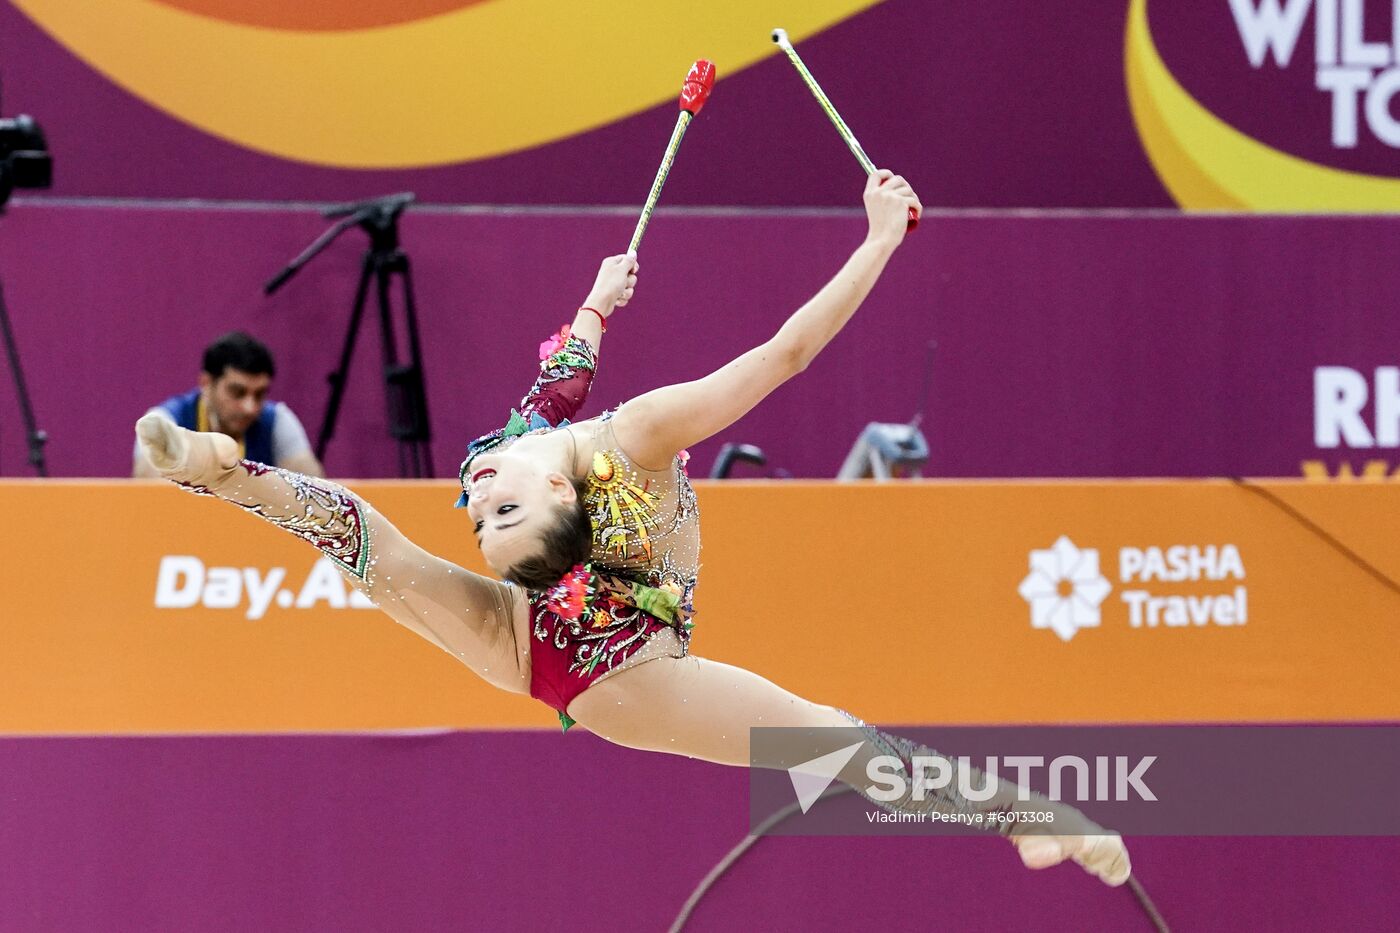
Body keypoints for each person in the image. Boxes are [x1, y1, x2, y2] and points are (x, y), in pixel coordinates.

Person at [136, 172, 1129, 887]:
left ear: (563, 494)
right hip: (600, 665)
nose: (477, 502)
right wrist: (602, 308)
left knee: (834, 742)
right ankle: (215, 473)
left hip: (599, 662)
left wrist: (867, 241)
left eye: (488, 513)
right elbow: (599, 384)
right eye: (488, 510)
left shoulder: (590, 441)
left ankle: (1022, 820)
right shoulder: (564, 447)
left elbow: (734, 362)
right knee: (371, 545)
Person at [133, 331, 325, 478]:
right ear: (206, 384)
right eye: (237, 392)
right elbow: (149, 493)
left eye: (259, 394)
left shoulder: (278, 421)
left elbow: (316, 498)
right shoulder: (164, 422)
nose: (250, 407)